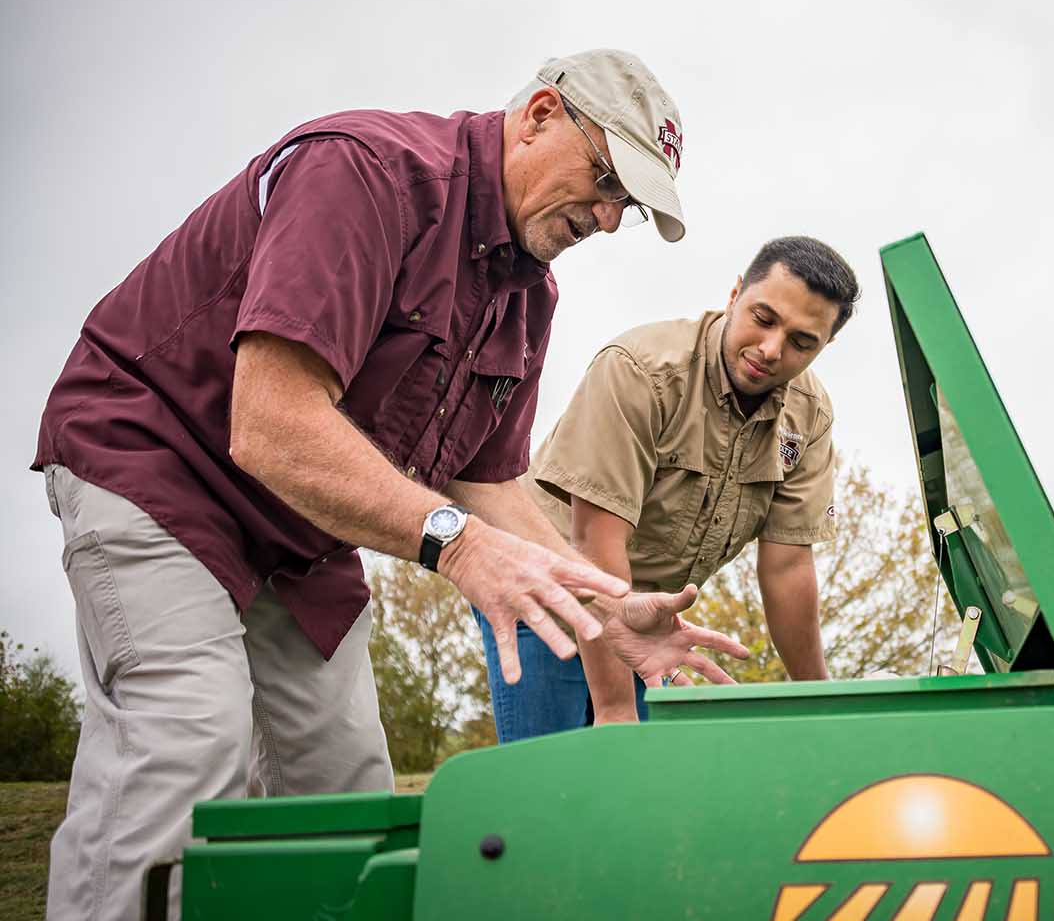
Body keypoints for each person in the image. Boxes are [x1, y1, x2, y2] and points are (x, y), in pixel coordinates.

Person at [31, 48, 748, 920]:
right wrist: (457, 546)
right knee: (188, 737)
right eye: (603, 177)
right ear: (538, 115)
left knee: (343, 784)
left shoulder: (528, 297)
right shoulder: (368, 173)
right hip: (159, 463)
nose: (603, 215)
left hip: (299, 532)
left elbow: (488, 484)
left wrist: (607, 613)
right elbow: (271, 422)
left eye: (624, 206)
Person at [474, 236, 859, 737]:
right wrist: (616, 711)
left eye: (802, 342)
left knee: (641, 791)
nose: (771, 349)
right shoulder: (639, 370)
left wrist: (821, 704)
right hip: (548, 583)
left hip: (647, 613)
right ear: (735, 294)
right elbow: (594, 546)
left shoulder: (809, 416)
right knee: (555, 779)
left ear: (825, 345)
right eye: (763, 319)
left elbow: (788, 568)